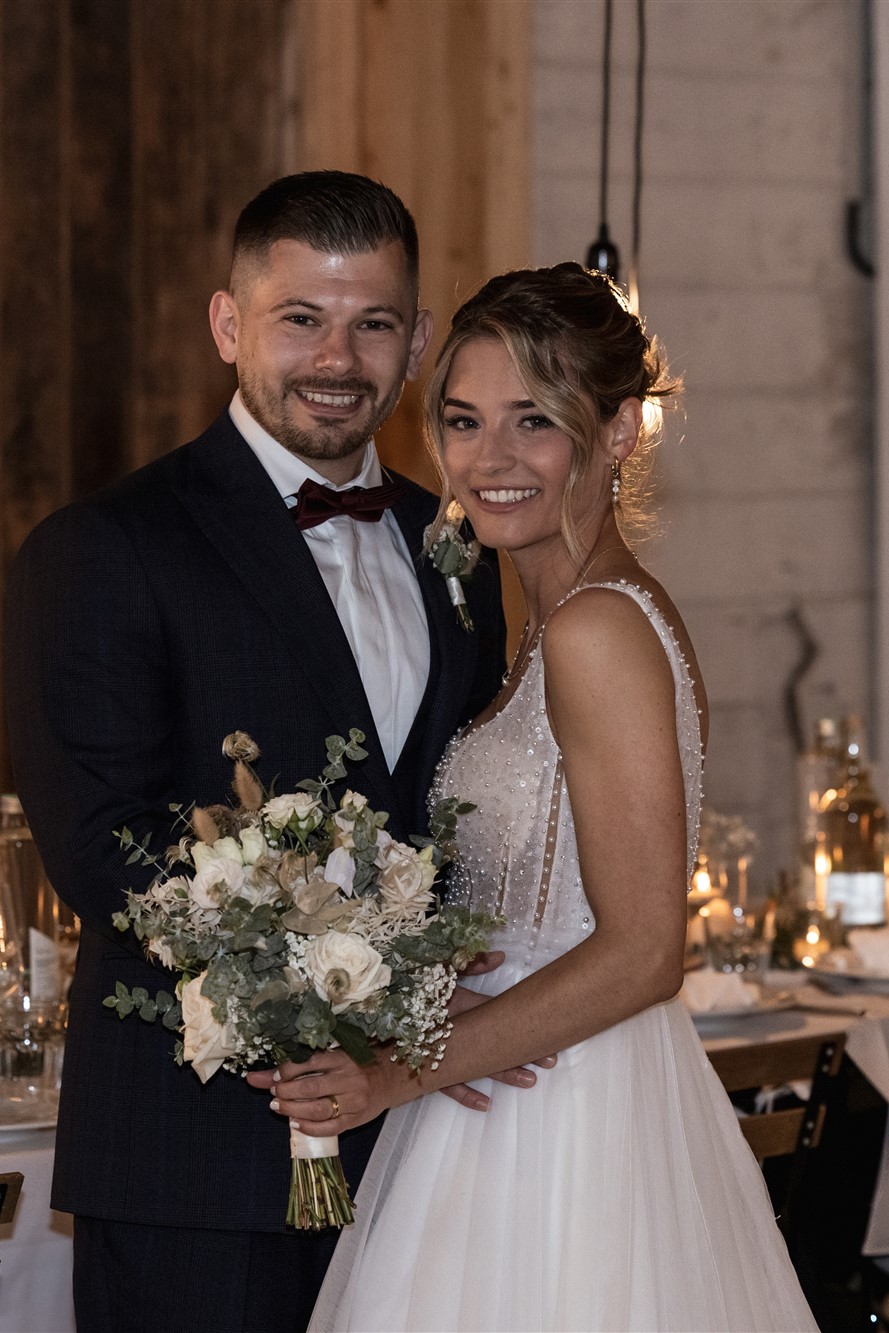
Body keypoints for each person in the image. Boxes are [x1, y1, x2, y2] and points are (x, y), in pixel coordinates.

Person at [257, 263, 821, 1331]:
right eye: (463, 421)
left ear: (618, 433)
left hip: (565, 1120)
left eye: (534, 421)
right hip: (523, 1074)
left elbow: (647, 948)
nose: (489, 459)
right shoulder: (555, 626)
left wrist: (397, 1069)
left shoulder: (594, 630)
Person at [3, 172, 511, 1332]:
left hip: (422, 1146)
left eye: (373, 322)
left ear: (418, 341)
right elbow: (97, 842)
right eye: (300, 318)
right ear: (228, 326)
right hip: (198, 1159)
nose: (338, 356)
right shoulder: (103, 548)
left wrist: (455, 1001)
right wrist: (309, 977)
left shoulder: (464, 552)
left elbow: (453, 815)